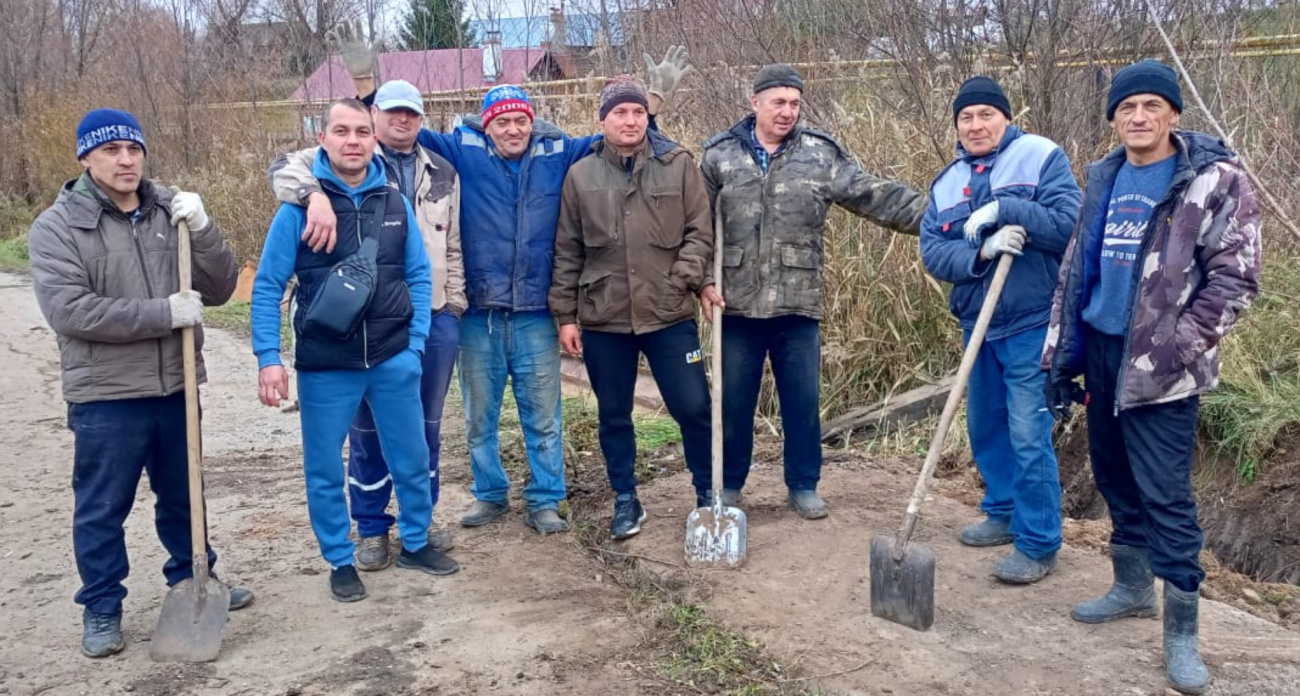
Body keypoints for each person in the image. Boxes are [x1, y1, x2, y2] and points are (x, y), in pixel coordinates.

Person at [315, 32, 692, 534]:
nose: (513, 129)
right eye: (503, 122)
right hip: (479, 312)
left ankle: (544, 499)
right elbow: (398, 133)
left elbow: (622, 140)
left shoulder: (560, 151)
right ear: (488, 125)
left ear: (531, 122)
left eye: (521, 120)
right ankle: (490, 493)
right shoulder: (461, 150)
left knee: (542, 414)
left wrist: (654, 104)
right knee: (480, 416)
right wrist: (366, 88)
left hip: (536, 311)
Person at [1043, 60, 1262, 695]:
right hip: (1104, 354)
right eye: (1126, 108)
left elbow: (1236, 278)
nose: (1138, 117)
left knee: (1165, 492)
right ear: (1113, 118)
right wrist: (1065, 352)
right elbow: (1076, 269)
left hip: (1164, 369)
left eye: (1150, 106)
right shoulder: (1105, 175)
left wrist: (1177, 347)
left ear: (1172, 114)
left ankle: (1182, 631)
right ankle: (1133, 587)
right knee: (1112, 474)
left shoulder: (1212, 180)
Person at [28, 108, 250, 657]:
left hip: (175, 386)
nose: (126, 160)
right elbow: (71, 311)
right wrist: (162, 314)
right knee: (103, 506)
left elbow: (220, 287)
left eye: (134, 149)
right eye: (110, 151)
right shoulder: (58, 227)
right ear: (85, 158)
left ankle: (195, 580)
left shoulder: (167, 212)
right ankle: (102, 607)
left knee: (184, 497)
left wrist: (202, 228)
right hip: (107, 396)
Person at [251, 99, 458, 603]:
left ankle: (414, 541)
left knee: (410, 457)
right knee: (324, 467)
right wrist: (268, 357)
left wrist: (413, 346)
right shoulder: (296, 208)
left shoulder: (394, 203)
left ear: (374, 140)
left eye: (362, 132)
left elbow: (417, 275)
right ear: (323, 139)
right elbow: (267, 286)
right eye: (341, 131)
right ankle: (340, 561)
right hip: (327, 366)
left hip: (392, 360)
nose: (352, 141)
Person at [699, 64, 926, 518]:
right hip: (737, 305)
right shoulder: (719, 157)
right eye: (778, 102)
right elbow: (698, 226)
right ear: (755, 102)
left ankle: (803, 484)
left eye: (795, 103)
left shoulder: (819, 155)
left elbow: (873, 195)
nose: (787, 112)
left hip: (797, 303)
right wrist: (704, 281)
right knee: (734, 403)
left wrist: (941, 219)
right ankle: (729, 485)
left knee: (802, 402)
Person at [919, 76, 1081, 584]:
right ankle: (1004, 510)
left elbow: (1068, 225)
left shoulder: (1039, 156)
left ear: (1005, 118)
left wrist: (1010, 209)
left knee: (1029, 431)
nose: (975, 125)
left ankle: (1038, 542)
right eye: (966, 117)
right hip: (979, 321)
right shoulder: (947, 183)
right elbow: (933, 251)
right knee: (985, 423)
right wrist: (980, 252)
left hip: (1033, 320)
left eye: (986, 114)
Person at [549, 76, 714, 539]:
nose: (630, 120)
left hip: (668, 315)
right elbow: (567, 249)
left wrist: (682, 279)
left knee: (694, 407)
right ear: (601, 121)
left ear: (648, 117)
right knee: (615, 414)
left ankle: (707, 494)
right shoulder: (581, 175)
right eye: (620, 113)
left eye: (638, 112)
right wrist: (565, 316)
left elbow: (700, 232)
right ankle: (625, 497)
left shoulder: (678, 164)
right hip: (605, 317)